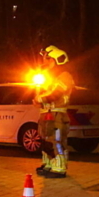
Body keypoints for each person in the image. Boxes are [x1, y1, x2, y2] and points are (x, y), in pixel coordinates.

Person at [34, 45, 74, 179]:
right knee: (46, 141)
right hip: (46, 113)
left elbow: (55, 93)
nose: (44, 61)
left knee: (57, 141)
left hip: (57, 113)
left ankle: (60, 167)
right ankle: (49, 164)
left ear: (55, 60)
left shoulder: (65, 76)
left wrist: (40, 98)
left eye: (48, 59)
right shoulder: (49, 76)